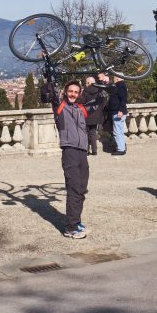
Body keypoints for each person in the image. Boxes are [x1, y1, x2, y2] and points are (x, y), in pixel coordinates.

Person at [43, 78, 103, 239]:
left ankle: (76, 221)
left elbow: (97, 102)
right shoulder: (60, 106)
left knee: (82, 189)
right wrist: (49, 78)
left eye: (76, 92)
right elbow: (47, 95)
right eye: (70, 91)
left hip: (83, 152)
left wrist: (103, 86)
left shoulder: (82, 108)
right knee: (74, 189)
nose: (73, 94)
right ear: (65, 92)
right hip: (69, 151)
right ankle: (70, 228)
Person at [78, 76, 107, 156]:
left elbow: (82, 101)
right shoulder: (99, 90)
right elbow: (102, 102)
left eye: (86, 83)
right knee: (93, 133)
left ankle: (86, 150)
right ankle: (94, 151)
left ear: (88, 83)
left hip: (86, 115)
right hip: (96, 116)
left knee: (85, 133)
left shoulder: (85, 91)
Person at [106, 74, 128, 156]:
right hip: (117, 111)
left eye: (114, 77)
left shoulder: (120, 86)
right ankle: (122, 147)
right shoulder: (120, 85)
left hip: (118, 112)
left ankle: (121, 149)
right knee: (119, 131)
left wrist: (121, 110)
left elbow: (123, 99)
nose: (113, 79)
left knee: (117, 131)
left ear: (118, 78)